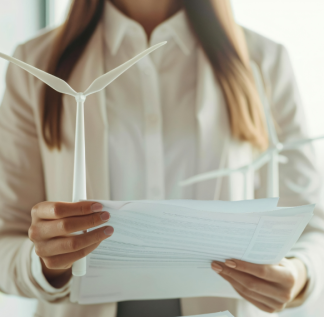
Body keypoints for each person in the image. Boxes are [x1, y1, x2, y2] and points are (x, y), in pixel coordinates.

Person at [0, 0, 323, 316]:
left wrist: (299, 275)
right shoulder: (35, 63)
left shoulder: (263, 59)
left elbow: (313, 224)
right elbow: (6, 236)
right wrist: (45, 263)